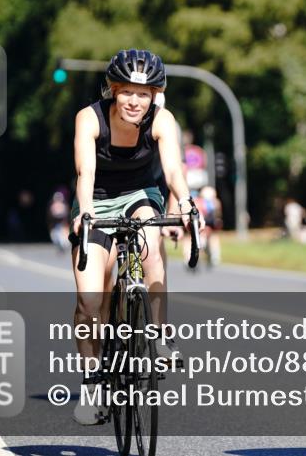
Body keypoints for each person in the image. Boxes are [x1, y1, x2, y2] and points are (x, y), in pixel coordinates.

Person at [70, 49, 195, 425]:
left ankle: (157, 333)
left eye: (144, 93)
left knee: (150, 243)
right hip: (96, 200)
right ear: (112, 90)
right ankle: (93, 383)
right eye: (127, 92)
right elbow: (85, 171)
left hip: (140, 195)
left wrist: (186, 201)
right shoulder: (89, 118)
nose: (135, 101)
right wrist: (86, 212)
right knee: (90, 303)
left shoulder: (162, 118)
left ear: (155, 94)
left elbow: (172, 167)